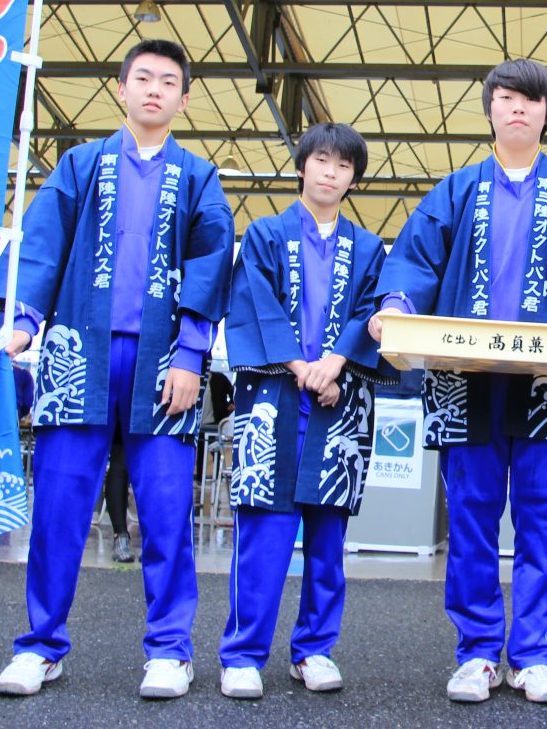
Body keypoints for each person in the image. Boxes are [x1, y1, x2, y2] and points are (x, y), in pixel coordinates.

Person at [369, 58, 547, 705]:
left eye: (531, 99)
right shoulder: (454, 191)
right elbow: (415, 263)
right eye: (506, 97)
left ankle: (531, 654)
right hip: (466, 379)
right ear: (490, 109)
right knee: (471, 517)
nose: (518, 108)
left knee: (544, 518)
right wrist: (396, 305)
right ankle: (477, 653)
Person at [0, 39, 234, 699]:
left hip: (162, 365)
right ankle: (40, 645)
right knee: (58, 506)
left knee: (166, 510)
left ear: (185, 99)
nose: (154, 89)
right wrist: (22, 321)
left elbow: (211, 265)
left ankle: (170, 649)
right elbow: (42, 246)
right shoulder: (80, 165)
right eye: (143, 78)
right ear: (120, 89)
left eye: (168, 82)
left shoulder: (199, 178)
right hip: (78, 353)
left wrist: (191, 354)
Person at [218, 122, 389, 700]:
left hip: (339, 406)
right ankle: (243, 654)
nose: (330, 173)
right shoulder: (265, 235)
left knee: (327, 540)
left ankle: (314, 650)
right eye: (321, 160)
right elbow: (255, 307)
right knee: (263, 536)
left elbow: (371, 315)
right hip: (275, 400)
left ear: (354, 179)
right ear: (301, 166)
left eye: (344, 166)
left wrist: (335, 365)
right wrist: (304, 368)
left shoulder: (368, 248)